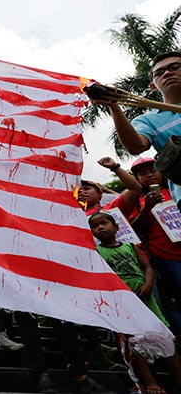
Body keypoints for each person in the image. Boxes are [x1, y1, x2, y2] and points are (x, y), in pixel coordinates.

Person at [89, 212, 181, 393]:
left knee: (164, 334)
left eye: (104, 223)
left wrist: (148, 284)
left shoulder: (131, 247)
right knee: (133, 340)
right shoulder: (97, 253)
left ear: (116, 227)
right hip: (122, 300)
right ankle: (150, 382)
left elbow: (147, 268)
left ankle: (178, 379)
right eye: (95, 226)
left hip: (144, 296)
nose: (100, 227)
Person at [95, 51, 181, 207]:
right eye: (159, 72)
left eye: (175, 67)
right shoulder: (148, 121)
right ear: (153, 85)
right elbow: (136, 146)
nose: (167, 73)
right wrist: (114, 106)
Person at [129, 156, 181, 340]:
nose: (149, 175)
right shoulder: (140, 200)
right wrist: (147, 208)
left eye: (153, 170)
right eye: (142, 173)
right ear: (137, 179)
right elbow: (134, 230)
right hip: (164, 255)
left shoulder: (175, 190)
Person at [77, 157, 142, 216]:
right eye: (78, 191)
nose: (81, 192)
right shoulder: (72, 218)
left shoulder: (112, 209)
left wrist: (114, 167)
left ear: (100, 194)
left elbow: (135, 189)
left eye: (86, 188)